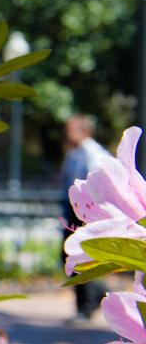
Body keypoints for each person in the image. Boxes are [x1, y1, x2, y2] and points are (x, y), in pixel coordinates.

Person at [60, 114, 110, 319]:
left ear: (84, 131)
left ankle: (86, 306)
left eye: (71, 129)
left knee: (83, 258)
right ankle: (95, 295)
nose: (67, 134)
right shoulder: (74, 154)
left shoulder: (93, 153)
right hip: (72, 211)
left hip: (85, 212)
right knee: (71, 257)